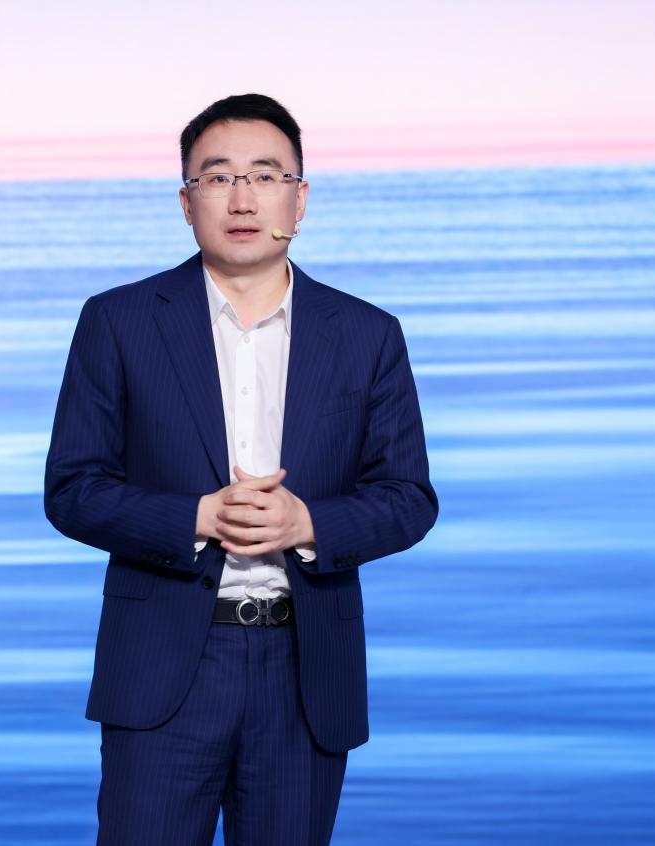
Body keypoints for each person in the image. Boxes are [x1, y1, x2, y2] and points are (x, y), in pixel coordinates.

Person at [44, 92, 438, 846]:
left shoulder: (367, 333)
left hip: (304, 668)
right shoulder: (118, 321)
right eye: (218, 177)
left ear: (300, 198)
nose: (243, 198)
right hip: (163, 666)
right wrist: (195, 517)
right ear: (186, 202)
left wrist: (308, 523)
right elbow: (72, 490)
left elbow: (408, 498)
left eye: (265, 175)